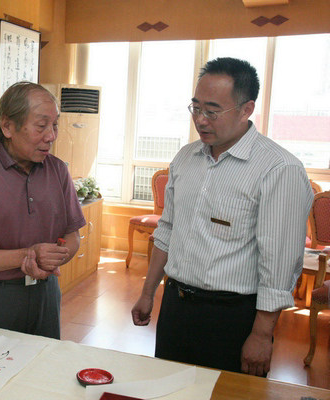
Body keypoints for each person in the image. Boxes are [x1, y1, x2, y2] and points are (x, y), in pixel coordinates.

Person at [131, 57, 313, 376]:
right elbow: (167, 231)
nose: (201, 120)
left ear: (246, 109)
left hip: (232, 317)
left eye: (212, 111)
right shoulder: (186, 158)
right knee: (167, 391)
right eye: (195, 108)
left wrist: (261, 334)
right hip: (176, 306)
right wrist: (148, 293)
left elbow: (280, 264)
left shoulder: (278, 169)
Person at [0, 81, 86, 339]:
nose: (51, 136)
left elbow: (73, 236)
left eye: (55, 125)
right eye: (41, 126)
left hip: (45, 293)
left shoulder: (58, 170)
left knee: (40, 373)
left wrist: (49, 261)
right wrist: (28, 256)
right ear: (8, 126)